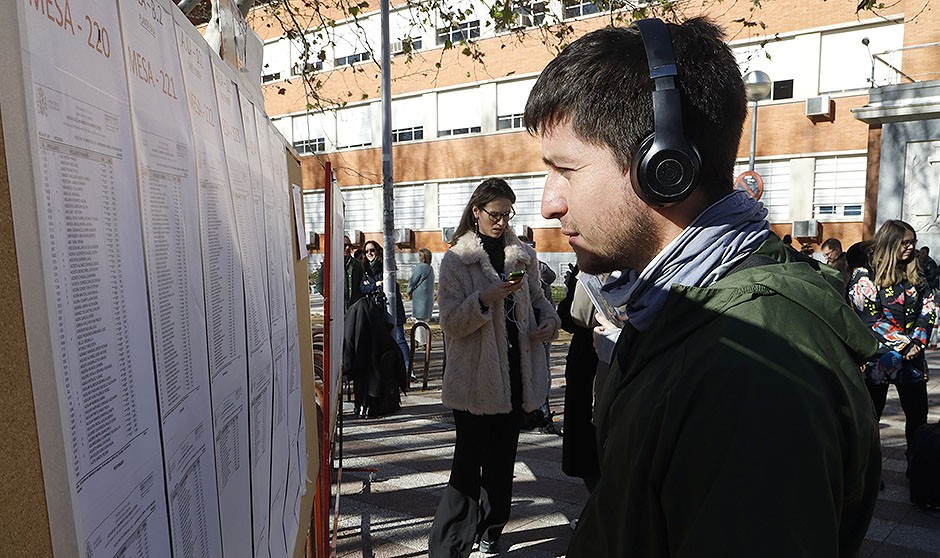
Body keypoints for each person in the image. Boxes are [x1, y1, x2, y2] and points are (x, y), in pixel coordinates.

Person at [525, 17, 881, 556]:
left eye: (566, 170)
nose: (548, 203)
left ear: (665, 167)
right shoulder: (681, 311)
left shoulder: (751, 368)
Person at [428, 178, 560, 557]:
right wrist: (483, 300)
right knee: (467, 466)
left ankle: (492, 528)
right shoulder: (456, 259)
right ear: (476, 212)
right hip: (474, 381)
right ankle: (450, 544)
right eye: (495, 214)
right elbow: (451, 322)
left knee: (502, 466)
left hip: (516, 378)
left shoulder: (523, 255)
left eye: (507, 214)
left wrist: (549, 321)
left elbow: (539, 300)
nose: (502, 222)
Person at [850, 220, 934, 459]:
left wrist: (917, 341)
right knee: (870, 419)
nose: (911, 247)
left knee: (918, 417)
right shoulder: (864, 275)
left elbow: (928, 306)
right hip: (876, 360)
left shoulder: (915, 273)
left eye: (913, 242)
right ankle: (868, 472)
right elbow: (869, 318)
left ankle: (917, 471)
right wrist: (904, 344)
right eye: (905, 243)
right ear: (890, 243)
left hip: (912, 359)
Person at [361, 240, 410, 371]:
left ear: (378, 251)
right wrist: (374, 285)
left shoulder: (386, 265)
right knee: (381, 341)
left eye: (372, 250)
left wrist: (376, 285)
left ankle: (408, 368)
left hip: (393, 307)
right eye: (367, 252)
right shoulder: (365, 270)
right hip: (377, 311)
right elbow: (362, 288)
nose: (369, 253)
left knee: (399, 338)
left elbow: (390, 284)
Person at [407, 247, 436, 347]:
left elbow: (413, 280)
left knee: (419, 321)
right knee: (425, 322)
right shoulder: (430, 268)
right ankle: (424, 340)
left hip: (420, 298)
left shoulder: (420, 267)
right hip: (428, 298)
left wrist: (409, 290)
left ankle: (422, 341)